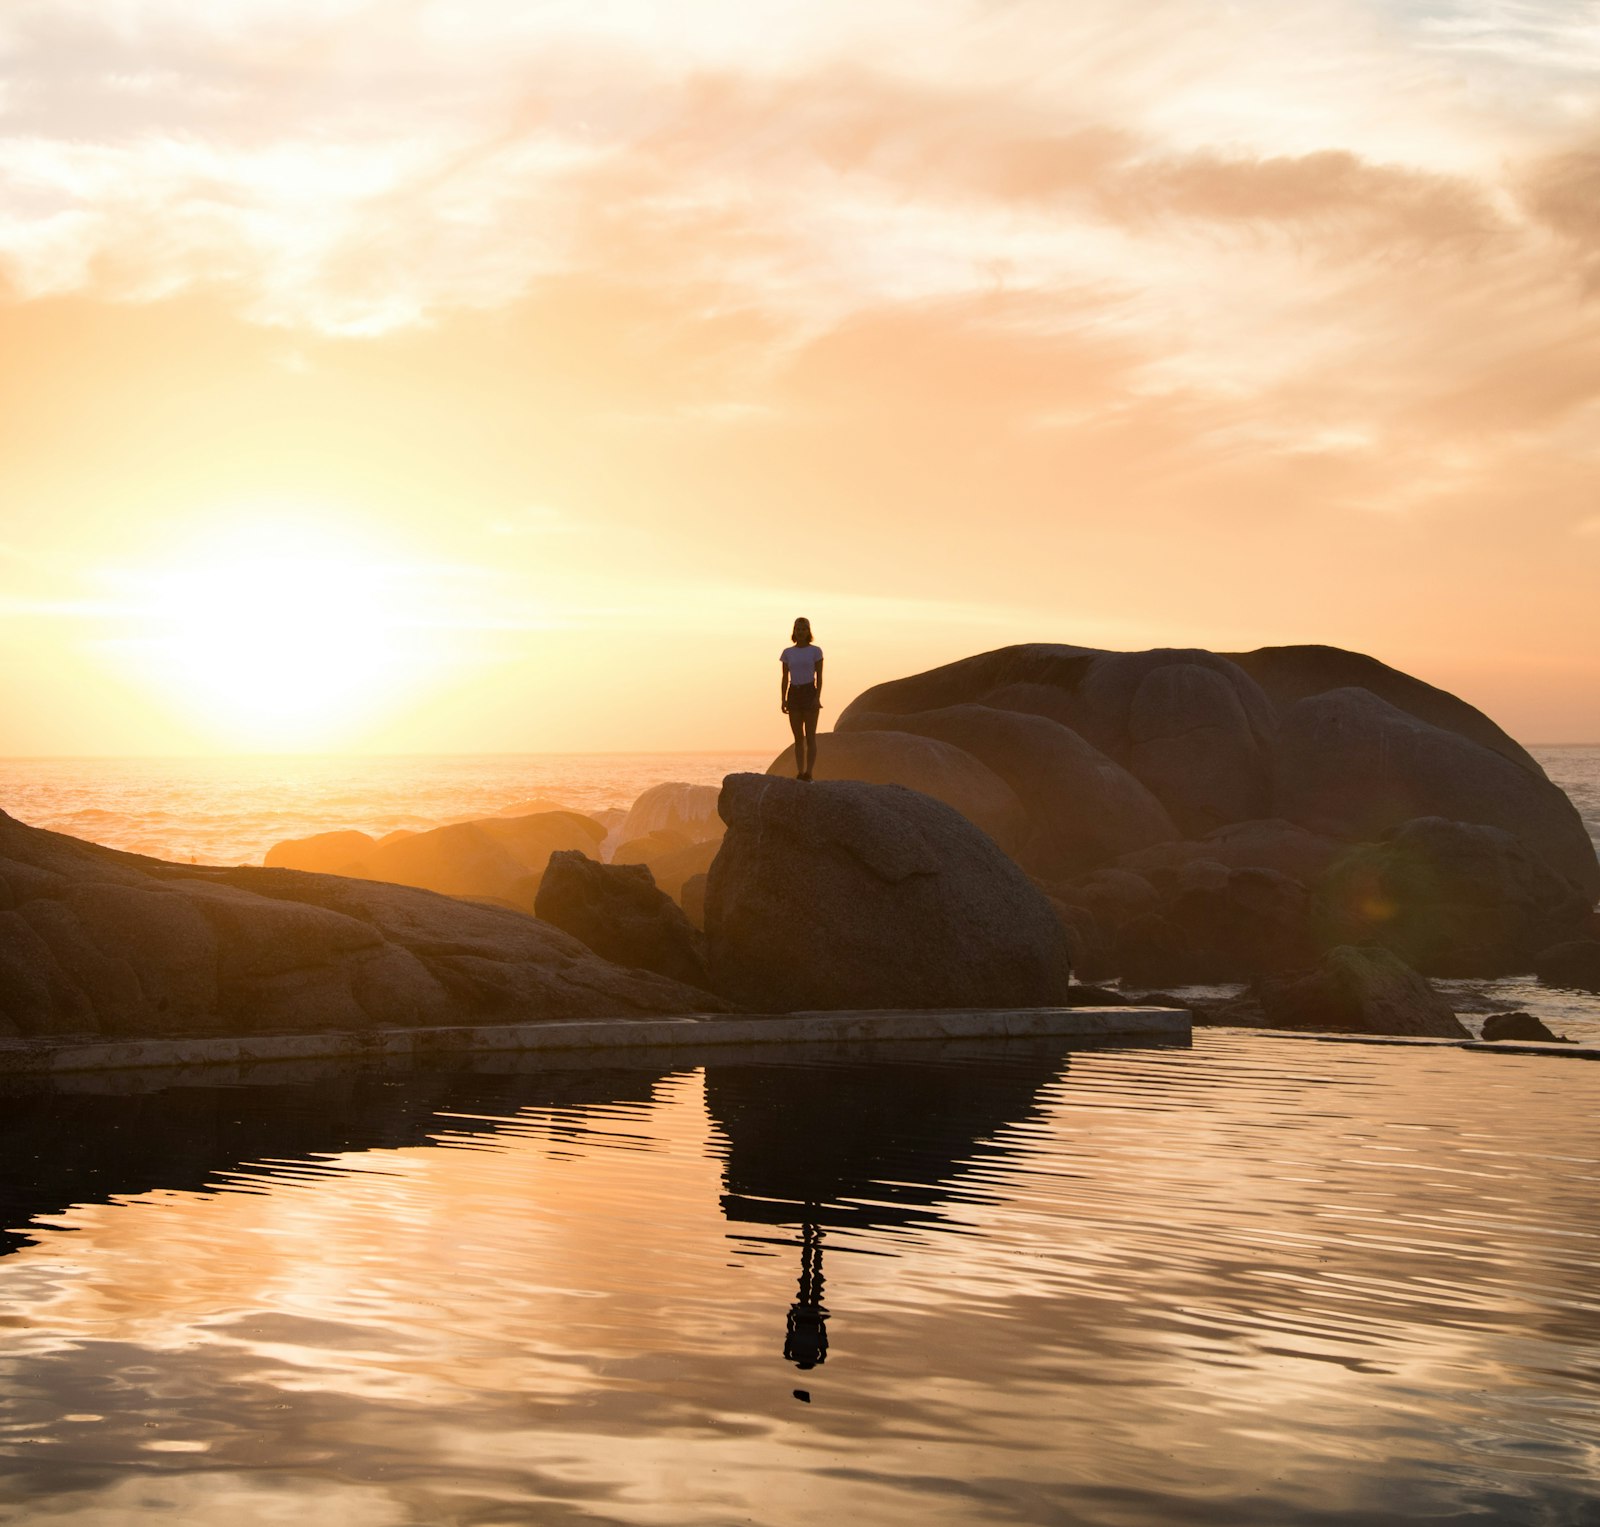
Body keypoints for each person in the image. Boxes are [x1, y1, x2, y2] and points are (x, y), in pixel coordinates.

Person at [781, 617, 823, 781]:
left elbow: (819, 676)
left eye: (803, 629)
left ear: (808, 632)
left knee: (810, 736)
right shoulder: (787, 653)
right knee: (798, 737)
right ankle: (800, 771)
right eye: (798, 629)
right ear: (794, 631)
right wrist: (783, 699)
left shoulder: (815, 651)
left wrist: (817, 697)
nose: (800, 632)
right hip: (794, 692)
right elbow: (785, 677)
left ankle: (809, 772)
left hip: (809, 691)